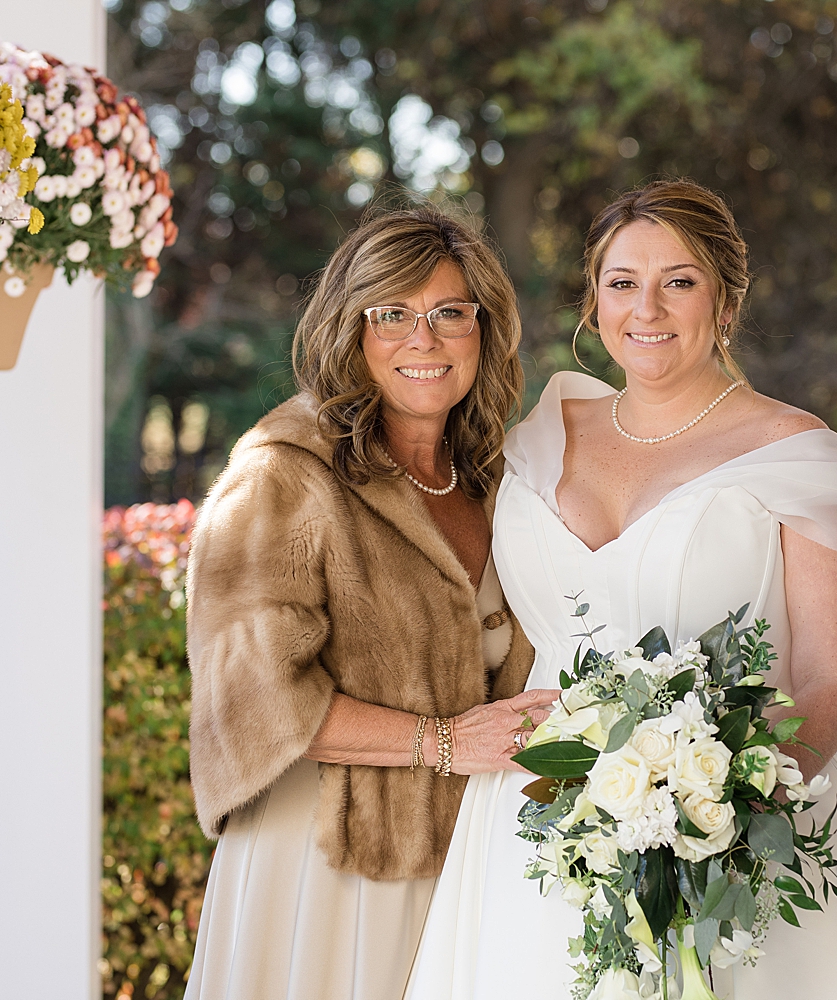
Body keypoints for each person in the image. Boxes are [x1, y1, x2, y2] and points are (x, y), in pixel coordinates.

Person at [405, 181, 837, 999]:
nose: (647, 308)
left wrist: (722, 817)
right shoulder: (534, 437)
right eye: (622, 282)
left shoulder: (799, 454)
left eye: (680, 280)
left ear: (726, 301)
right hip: (535, 817)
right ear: (593, 303)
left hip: (740, 819)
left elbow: (834, 674)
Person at [182, 206, 559, 1000]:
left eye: (449, 313)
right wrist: (445, 743)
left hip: (469, 864)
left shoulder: (500, 483)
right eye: (391, 314)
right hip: (328, 870)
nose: (423, 340)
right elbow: (253, 698)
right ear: (349, 331)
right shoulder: (281, 475)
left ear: (483, 331)